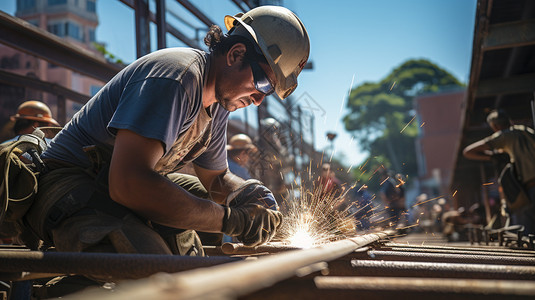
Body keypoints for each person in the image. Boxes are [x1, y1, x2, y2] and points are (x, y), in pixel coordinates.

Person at [22, 6, 310, 258]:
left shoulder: (220, 103)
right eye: (261, 83)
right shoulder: (177, 77)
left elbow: (217, 180)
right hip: (67, 184)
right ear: (236, 54)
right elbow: (128, 183)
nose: (259, 99)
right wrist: (229, 220)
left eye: (269, 91)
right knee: (151, 262)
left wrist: (246, 192)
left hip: (110, 183)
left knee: (203, 217)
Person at [463, 109, 535, 234]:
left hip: (529, 187)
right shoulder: (525, 130)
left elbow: (468, 151)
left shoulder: (504, 135)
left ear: (495, 126)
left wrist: (491, 156)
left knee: (525, 232)